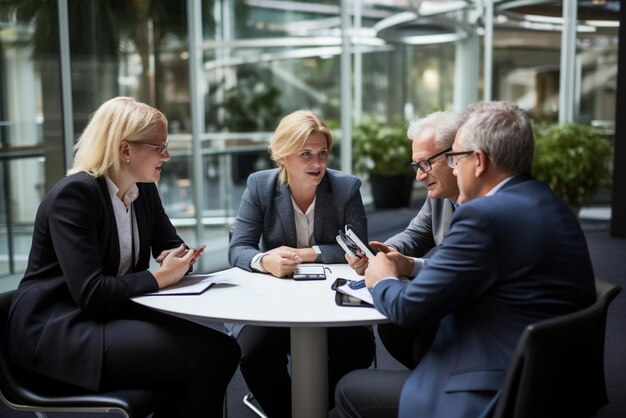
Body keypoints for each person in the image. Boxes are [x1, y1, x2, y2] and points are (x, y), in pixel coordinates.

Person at [332, 101, 596, 418]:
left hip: (499, 388)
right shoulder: (546, 200)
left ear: (479, 161)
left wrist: (382, 278)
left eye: (455, 158)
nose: (454, 168)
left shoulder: (484, 217)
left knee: (348, 388)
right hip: (549, 376)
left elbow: (407, 309)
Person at [4, 97, 240, 418]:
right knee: (211, 356)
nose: (167, 155)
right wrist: (160, 276)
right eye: (159, 147)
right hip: (59, 331)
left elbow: (169, 246)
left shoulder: (143, 191)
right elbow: (91, 293)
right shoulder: (74, 196)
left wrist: (179, 257)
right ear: (125, 150)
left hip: (110, 316)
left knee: (223, 348)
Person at [229, 109, 375, 417]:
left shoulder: (346, 188)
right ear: (282, 156)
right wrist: (264, 259)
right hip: (274, 304)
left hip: (332, 303)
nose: (318, 164)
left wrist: (307, 253)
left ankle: (318, 409)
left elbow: (358, 250)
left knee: (358, 345)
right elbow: (238, 248)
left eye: (322, 153)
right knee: (253, 351)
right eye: (306, 154)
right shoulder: (260, 186)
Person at [345, 111, 462, 369]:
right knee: (393, 327)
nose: (419, 176)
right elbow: (416, 233)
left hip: (469, 315)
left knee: (403, 321)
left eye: (425, 164)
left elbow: (461, 268)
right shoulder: (440, 195)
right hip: (451, 299)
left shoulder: (487, 207)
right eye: (416, 166)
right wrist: (388, 253)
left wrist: (405, 266)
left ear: (456, 156)